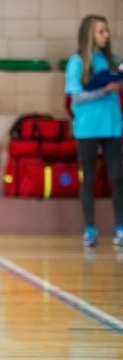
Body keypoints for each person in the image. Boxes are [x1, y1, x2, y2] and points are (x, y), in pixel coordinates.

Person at [64, 15, 123, 247]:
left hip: (112, 125)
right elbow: (77, 97)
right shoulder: (77, 62)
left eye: (106, 31)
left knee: (118, 177)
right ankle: (90, 228)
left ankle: (120, 226)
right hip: (87, 128)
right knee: (89, 178)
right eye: (101, 32)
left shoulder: (113, 60)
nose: (105, 36)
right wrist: (105, 89)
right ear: (90, 34)